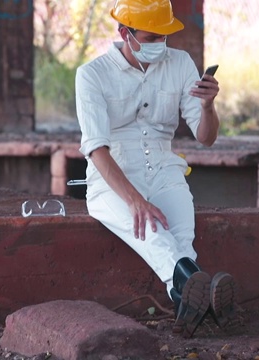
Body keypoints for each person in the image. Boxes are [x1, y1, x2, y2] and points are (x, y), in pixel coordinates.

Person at [74, 0, 236, 338]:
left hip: (165, 169)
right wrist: (134, 200)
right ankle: (196, 292)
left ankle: (187, 301)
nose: (159, 45)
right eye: (151, 37)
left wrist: (208, 106)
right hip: (112, 179)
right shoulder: (92, 74)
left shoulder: (180, 63)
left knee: (181, 239)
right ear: (124, 33)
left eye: (164, 36)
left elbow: (206, 138)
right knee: (154, 231)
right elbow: (97, 149)